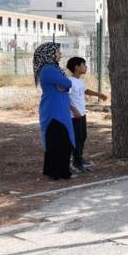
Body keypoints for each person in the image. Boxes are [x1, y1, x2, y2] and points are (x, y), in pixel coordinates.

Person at [33, 42, 76, 180]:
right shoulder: (48, 70)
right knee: (58, 140)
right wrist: (64, 84)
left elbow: (66, 84)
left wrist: (64, 84)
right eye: (57, 52)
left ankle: (58, 170)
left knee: (61, 140)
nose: (60, 54)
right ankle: (58, 172)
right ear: (49, 54)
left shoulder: (53, 69)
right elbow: (68, 83)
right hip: (54, 111)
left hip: (59, 108)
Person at [65, 57, 108, 173]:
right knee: (77, 138)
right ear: (76, 67)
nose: (86, 67)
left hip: (82, 114)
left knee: (83, 136)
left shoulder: (80, 81)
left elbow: (85, 91)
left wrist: (99, 94)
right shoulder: (69, 81)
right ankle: (77, 162)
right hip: (74, 116)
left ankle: (79, 158)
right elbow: (65, 97)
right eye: (83, 65)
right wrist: (74, 110)